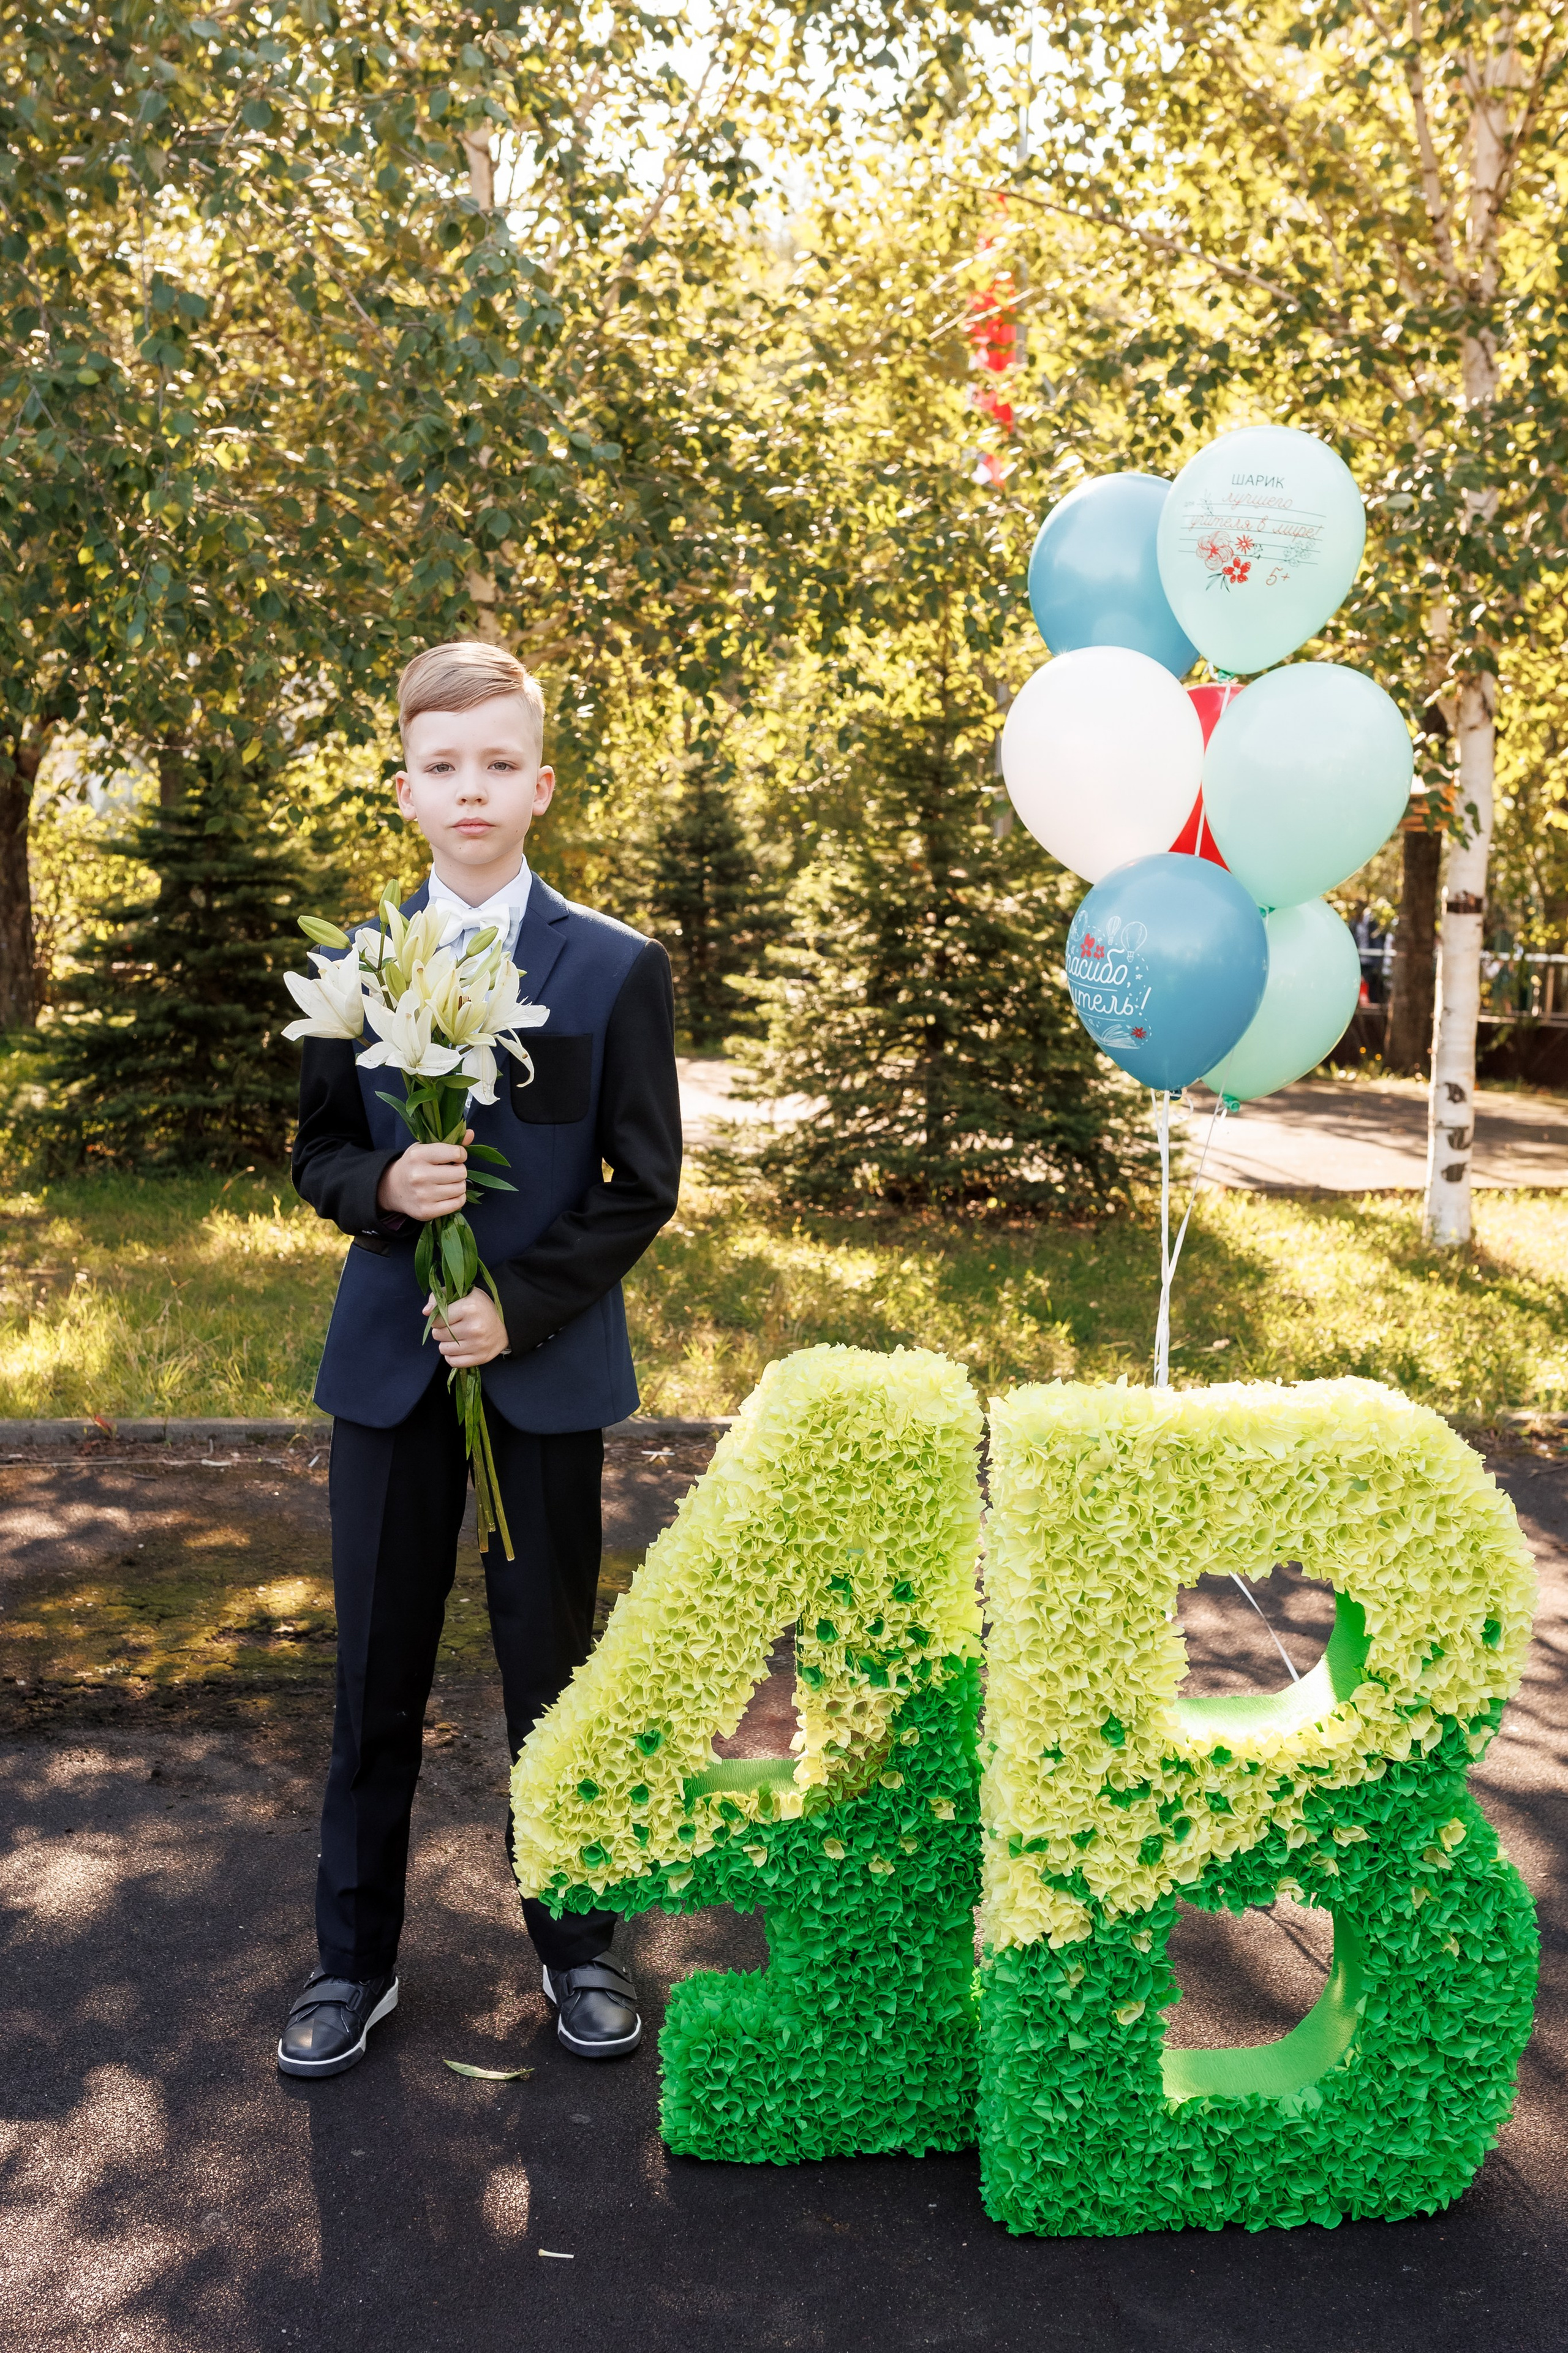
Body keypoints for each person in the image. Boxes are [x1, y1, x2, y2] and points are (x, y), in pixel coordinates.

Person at [276, 640, 681, 2079]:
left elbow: (640, 1182)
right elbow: (319, 1150)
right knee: (373, 1676)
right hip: (390, 1372)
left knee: (551, 1670)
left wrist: (518, 1304)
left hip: (540, 1374)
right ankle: (351, 1964)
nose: (471, 789)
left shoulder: (614, 966)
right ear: (403, 788)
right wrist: (383, 1190)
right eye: (441, 765)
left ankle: (579, 1948)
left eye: (498, 763)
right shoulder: (357, 963)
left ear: (540, 785)